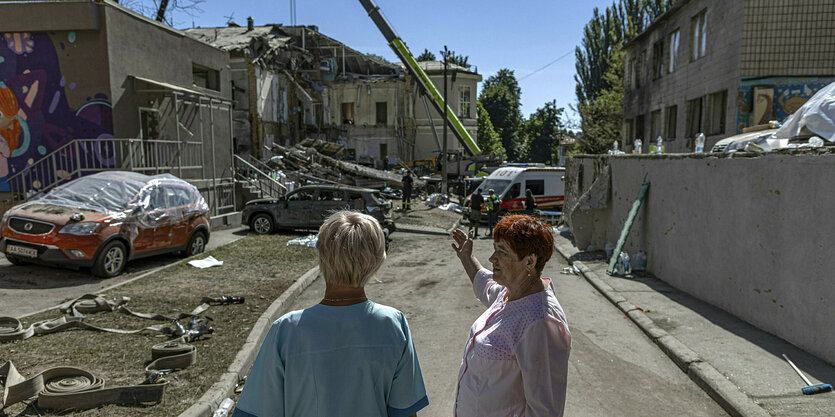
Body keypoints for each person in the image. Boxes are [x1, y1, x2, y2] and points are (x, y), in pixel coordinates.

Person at [233, 211, 429, 417]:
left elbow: (256, 411)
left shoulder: (286, 330)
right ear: (377, 260)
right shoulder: (393, 325)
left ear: (322, 256)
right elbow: (405, 411)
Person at [450, 215, 571, 417]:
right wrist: (467, 258)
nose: (492, 259)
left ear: (530, 261)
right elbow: (485, 285)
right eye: (495, 249)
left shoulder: (540, 323)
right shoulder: (510, 292)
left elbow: (545, 411)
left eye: (502, 252)